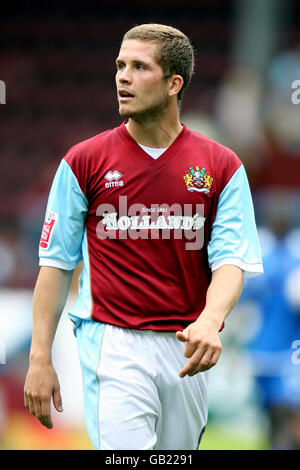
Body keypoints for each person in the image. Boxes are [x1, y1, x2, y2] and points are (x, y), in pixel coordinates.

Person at [24, 23, 263, 450]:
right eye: (120, 66)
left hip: (186, 347)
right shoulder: (84, 161)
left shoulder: (221, 166)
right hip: (112, 342)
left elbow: (231, 260)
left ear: (174, 84)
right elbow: (56, 266)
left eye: (139, 67)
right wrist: (40, 357)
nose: (122, 77)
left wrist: (210, 320)